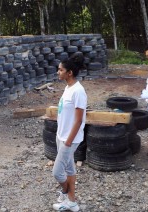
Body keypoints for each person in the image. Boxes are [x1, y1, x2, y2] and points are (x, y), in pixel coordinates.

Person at [52, 53, 88, 211]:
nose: (58, 72)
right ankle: (72, 203)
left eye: (60, 70)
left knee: (57, 173)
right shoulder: (68, 87)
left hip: (70, 139)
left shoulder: (78, 91)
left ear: (69, 73)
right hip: (61, 135)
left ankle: (65, 193)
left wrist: (68, 141)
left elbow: (79, 120)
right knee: (69, 169)